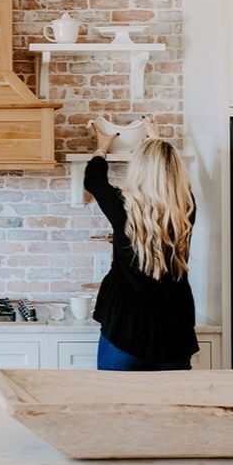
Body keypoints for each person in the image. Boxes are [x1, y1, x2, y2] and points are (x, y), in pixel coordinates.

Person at [84, 119, 198, 371]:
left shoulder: (122, 206)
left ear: (139, 169)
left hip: (125, 328)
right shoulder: (186, 208)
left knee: (116, 404)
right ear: (176, 170)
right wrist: (156, 140)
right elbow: (171, 177)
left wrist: (101, 147)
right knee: (174, 408)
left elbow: (93, 180)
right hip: (174, 330)